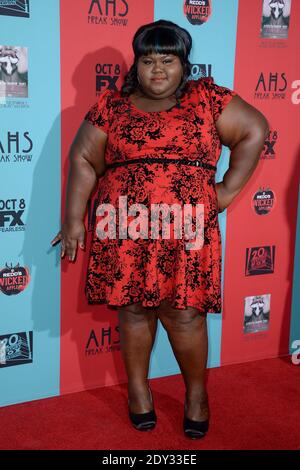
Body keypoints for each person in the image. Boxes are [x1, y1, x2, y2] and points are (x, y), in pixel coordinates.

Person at [51, 19, 269, 439]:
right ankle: (138, 392)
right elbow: (82, 158)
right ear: (137, 62)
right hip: (124, 227)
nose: (157, 70)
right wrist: (74, 218)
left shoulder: (207, 99)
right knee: (133, 310)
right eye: (148, 59)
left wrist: (223, 192)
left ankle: (196, 396)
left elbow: (255, 129)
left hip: (186, 231)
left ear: (183, 63)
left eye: (167, 60)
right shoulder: (111, 106)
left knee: (185, 314)